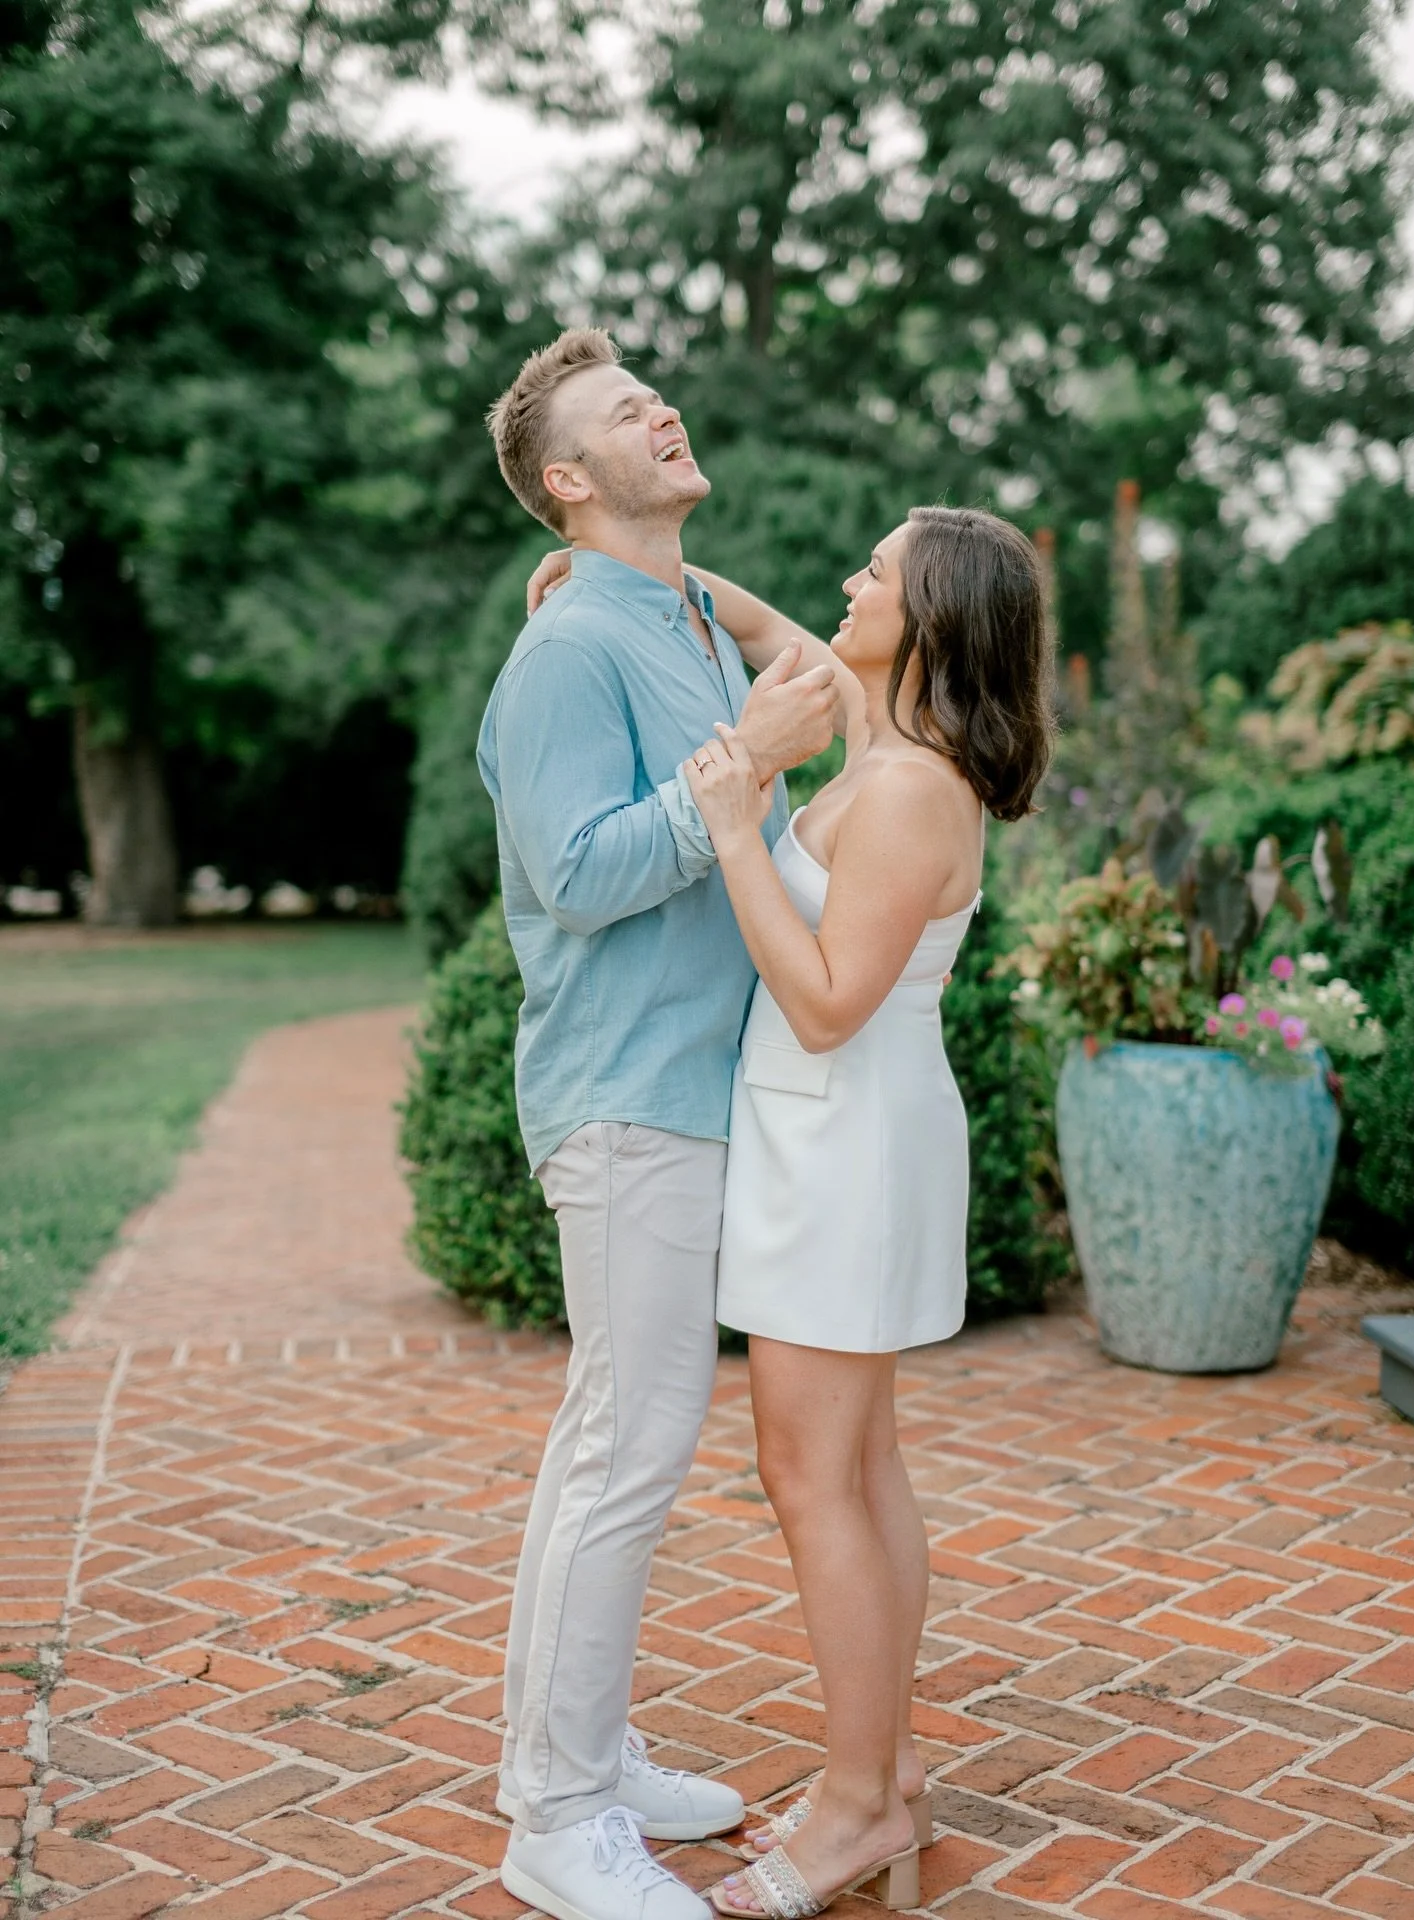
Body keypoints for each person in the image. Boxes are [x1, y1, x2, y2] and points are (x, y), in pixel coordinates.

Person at [477, 326, 844, 1920]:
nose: (661, 409)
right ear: (569, 481)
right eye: (624, 412)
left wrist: (750, 729)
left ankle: (588, 1753)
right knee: (625, 1450)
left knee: (615, 1447)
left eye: (655, 392)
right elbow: (578, 875)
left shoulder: (674, 610)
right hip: (623, 1098)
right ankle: (554, 1820)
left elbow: (809, 675)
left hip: (695, 1094)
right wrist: (743, 764)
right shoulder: (564, 651)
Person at [683, 507, 1055, 1919]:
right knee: (859, 1467)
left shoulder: (907, 790)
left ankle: (849, 1810)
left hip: (841, 1135)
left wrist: (732, 833)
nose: (849, 582)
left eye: (879, 574)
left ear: (933, 619)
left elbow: (831, 1004)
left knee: (809, 1474)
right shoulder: (889, 741)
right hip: (833, 1138)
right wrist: (621, 572)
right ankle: (886, 1777)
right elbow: (773, 627)